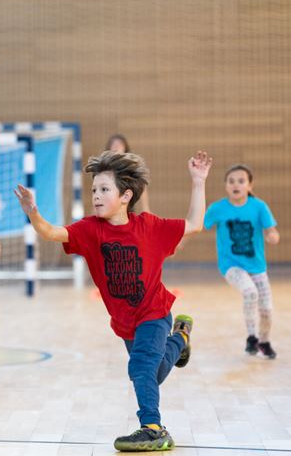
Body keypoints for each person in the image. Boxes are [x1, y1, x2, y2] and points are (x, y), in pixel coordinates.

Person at [14, 149, 213, 452]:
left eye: (104, 189)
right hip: (125, 321)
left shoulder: (150, 227)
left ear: (125, 195)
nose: (96, 195)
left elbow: (195, 224)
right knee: (153, 373)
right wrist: (33, 212)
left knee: (142, 369)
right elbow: (52, 232)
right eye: (94, 189)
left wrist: (198, 181)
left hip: (155, 313)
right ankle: (180, 340)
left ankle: (153, 429)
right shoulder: (89, 230)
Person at [204, 164, 279, 359]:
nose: (236, 184)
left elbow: (272, 231)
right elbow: (198, 225)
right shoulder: (218, 208)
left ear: (249, 185)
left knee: (267, 310)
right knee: (249, 292)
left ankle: (264, 341)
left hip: (257, 267)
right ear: (226, 185)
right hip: (231, 265)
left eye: (241, 180)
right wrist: (179, 242)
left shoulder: (259, 207)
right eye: (231, 181)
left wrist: (273, 236)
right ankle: (252, 337)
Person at [105, 134, 150, 213]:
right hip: (109, 207)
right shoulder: (104, 166)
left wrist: (145, 208)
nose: (116, 147)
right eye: (114, 145)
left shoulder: (131, 165)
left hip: (126, 207)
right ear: (109, 148)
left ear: (125, 148)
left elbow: (142, 185)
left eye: (119, 144)